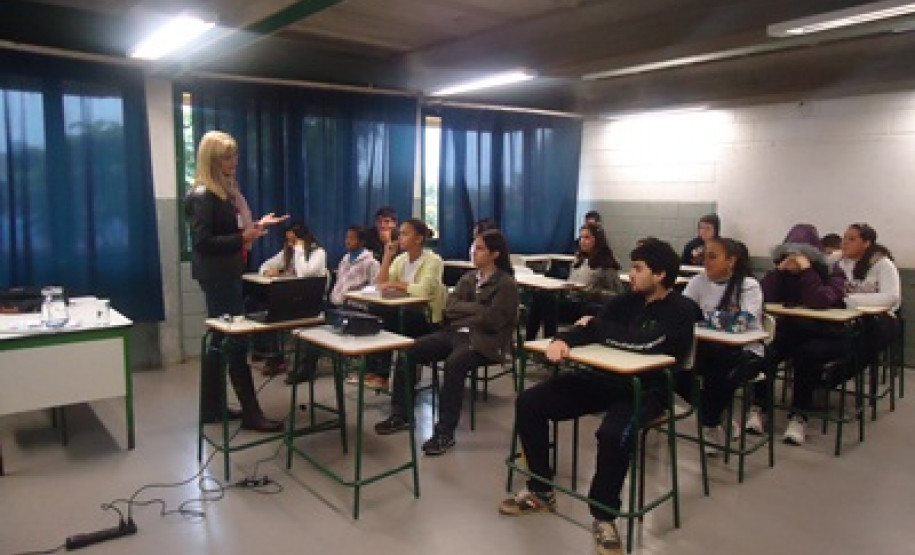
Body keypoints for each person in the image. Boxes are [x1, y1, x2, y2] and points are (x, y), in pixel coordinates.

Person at [499, 239, 701, 555]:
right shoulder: (626, 301)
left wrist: (600, 328)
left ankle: (604, 516)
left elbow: (646, 344)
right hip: (604, 380)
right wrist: (563, 339)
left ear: (660, 274)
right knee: (530, 402)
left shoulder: (682, 311)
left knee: (613, 434)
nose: (631, 274)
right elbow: (591, 329)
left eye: (638, 269)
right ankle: (540, 490)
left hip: (647, 390)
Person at [374, 229, 519, 456]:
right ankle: (401, 414)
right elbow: (449, 309)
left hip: (484, 340)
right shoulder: (469, 278)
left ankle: (445, 432)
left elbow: (492, 320)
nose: (474, 252)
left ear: (495, 254)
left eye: (480, 248)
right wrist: (478, 309)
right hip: (454, 332)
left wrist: (466, 312)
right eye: (474, 247)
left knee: (455, 363)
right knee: (408, 351)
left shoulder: (506, 284)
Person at [184, 130, 288, 433]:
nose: (234, 162)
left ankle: (211, 407)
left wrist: (255, 228)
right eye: (227, 157)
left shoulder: (223, 193)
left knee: (219, 340)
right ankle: (251, 413)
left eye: (235, 156)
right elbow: (203, 241)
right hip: (217, 275)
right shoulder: (203, 195)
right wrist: (243, 237)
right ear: (212, 160)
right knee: (235, 341)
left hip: (226, 271)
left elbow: (227, 232)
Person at [759, 224, 845, 445]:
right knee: (763, 351)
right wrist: (779, 271)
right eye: (789, 254)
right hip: (791, 331)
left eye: (800, 255)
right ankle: (759, 408)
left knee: (806, 355)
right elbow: (764, 296)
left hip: (826, 334)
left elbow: (820, 300)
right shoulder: (783, 274)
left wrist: (807, 271)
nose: (794, 260)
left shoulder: (833, 273)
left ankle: (799, 416)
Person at [681, 237, 764, 452]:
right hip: (707, 349)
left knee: (719, 370)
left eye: (713, 256)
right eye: (705, 256)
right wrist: (714, 319)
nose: (706, 262)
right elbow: (682, 313)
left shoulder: (749, 286)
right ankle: (714, 413)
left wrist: (704, 319)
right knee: (675, 368)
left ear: (731, 261)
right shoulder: (698, 282)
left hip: (745, 353)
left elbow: (739, 323)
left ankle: (710, 422)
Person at [361, 218, 447, 389]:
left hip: (427, 319)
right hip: (403, 315)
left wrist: (396, 285)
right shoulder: (400, 260)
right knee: (375, 313)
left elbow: (424, 290)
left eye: (405, 234)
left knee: (383, 317)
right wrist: (387, 256)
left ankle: (381, 373)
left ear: (418, 238)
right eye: (399, 234)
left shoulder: (433, 260)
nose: (400, 238)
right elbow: (381, 284)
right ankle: (379, 372)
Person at [525, 222, 623, 341]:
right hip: (571, 299)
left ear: (597, 240)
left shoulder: (606, 264)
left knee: (549, 304)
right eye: (581, 238)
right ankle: (529, 340)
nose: (582, 241)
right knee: (541, 297)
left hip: (587, 305)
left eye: (587, 238)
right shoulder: (579, 259)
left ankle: (550, 339)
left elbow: (617, 295)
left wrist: (593, 292)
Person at [329, 225, 381, 307]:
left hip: (355, 306)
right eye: (347, 237)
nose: (347, 241)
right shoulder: (344, 259)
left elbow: (375, 287)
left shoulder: (371, 263)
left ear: (362, 242)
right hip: (336, 304)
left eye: (352, 238)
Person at [259, 222, 327, 279]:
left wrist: (299, 249)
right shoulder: (289, 252)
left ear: (303, 239)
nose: (289, 244)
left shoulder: (318, 252)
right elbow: (265, 265)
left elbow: (304, 274)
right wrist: (266, 272)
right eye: (288, 240)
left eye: (293, 241)